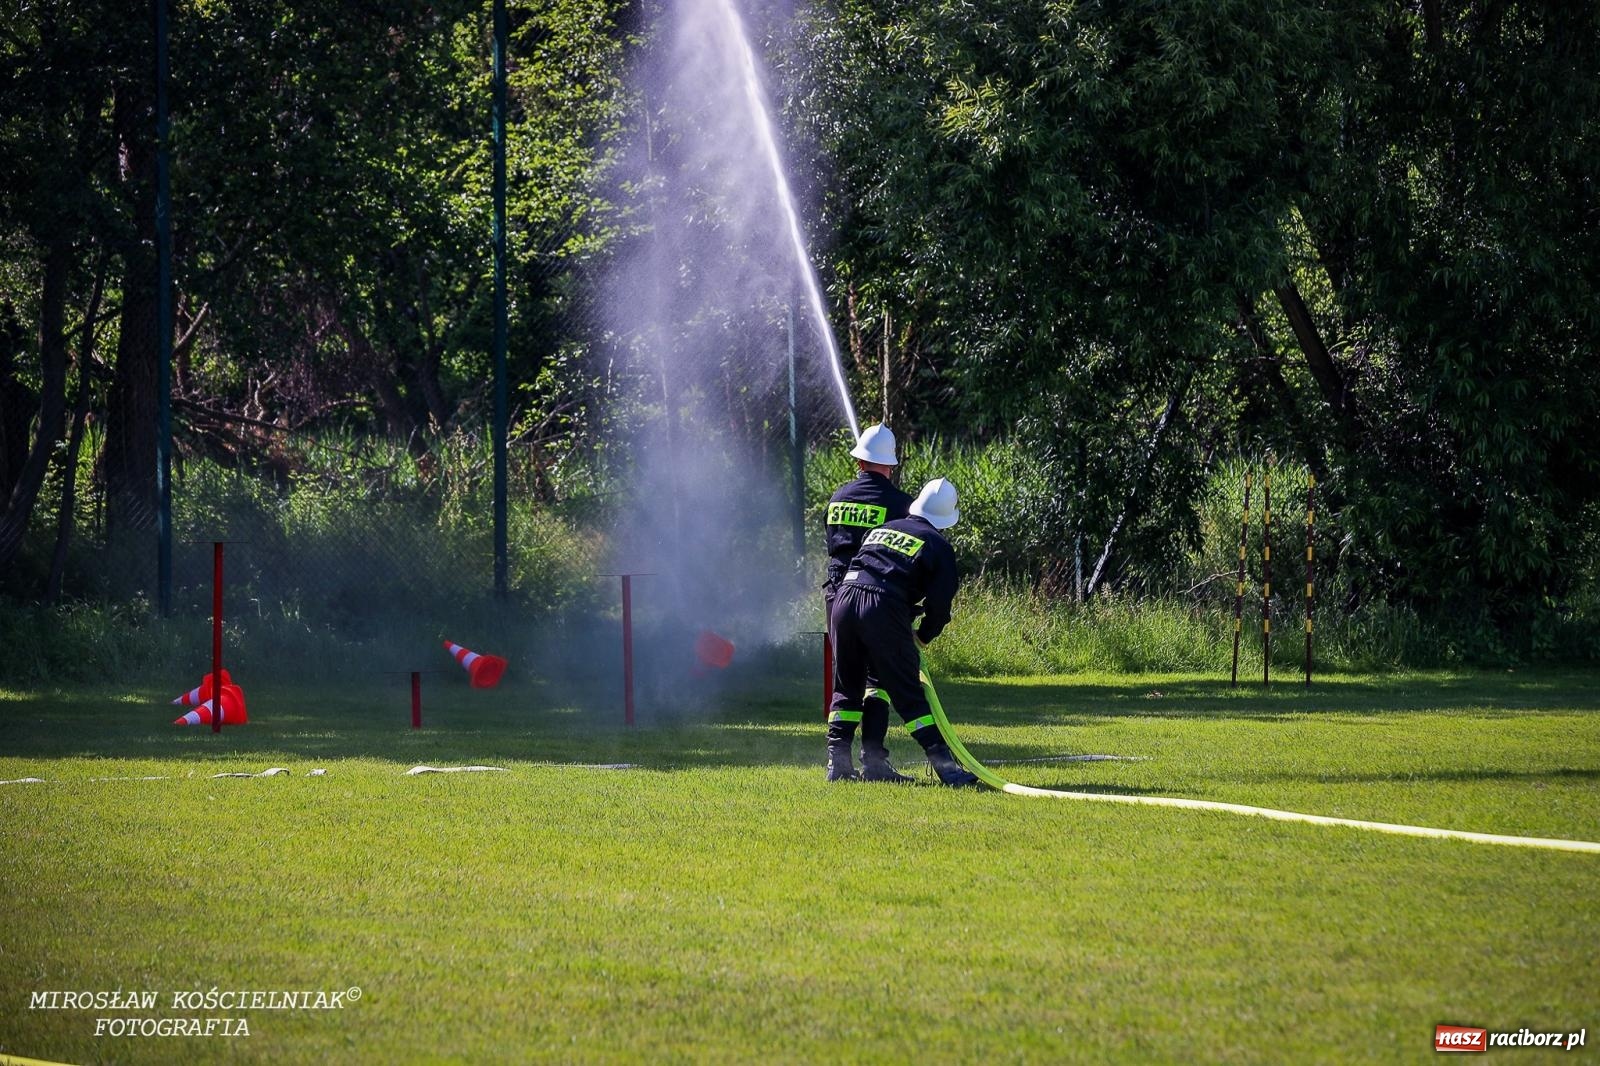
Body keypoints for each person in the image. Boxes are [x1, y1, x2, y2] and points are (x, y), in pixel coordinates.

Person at [829, 478, 979, 787]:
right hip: (880, 608)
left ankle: (837, 763)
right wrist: (923, 635)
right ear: (945, 518)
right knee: (909, 694)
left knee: (847, 686)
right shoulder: (938, 545)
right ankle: (947, 769)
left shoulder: (886, 527)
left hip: (844, 600)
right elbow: (940, 607)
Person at [823, 424, 914, 782]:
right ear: (889, 465)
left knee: (846, 679)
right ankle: (874, 762)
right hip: (875, 599)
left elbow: (832, 548)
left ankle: (838, 763)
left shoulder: (837, 497)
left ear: (860, 461)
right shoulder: (899, 503)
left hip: (836, 597)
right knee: (877, 680)